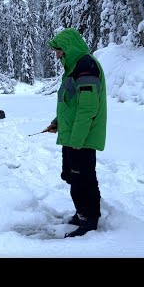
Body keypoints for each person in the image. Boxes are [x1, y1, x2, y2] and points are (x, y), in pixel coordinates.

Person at [44, 28, 107, 238]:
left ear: (67, 48)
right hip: (72, 135)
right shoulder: (73, 67)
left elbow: (88, 108)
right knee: (72, 176)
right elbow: (70, 104)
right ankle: (82, 213)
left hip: (82, 138)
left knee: (84, 179)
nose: (56, 55)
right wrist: (58, 123)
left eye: (58, 50)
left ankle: (89, 220)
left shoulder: (85, 66)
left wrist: (77, 139)